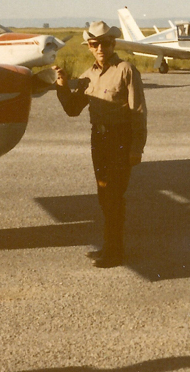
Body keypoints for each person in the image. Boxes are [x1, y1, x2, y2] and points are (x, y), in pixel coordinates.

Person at [54, 21, 147, 268]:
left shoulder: (126, 70)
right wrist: (62, 86)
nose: (100, 48)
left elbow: (138, 112)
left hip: (120, 139)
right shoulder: (88, 75)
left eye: (105, 43)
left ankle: (115, 252)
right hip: (99, 140)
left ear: (113, 44)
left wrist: (137, 148)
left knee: (114, 196)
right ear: (89, 47)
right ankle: (109, 246)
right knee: (104, 195)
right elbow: (73, 109)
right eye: (95, 44)